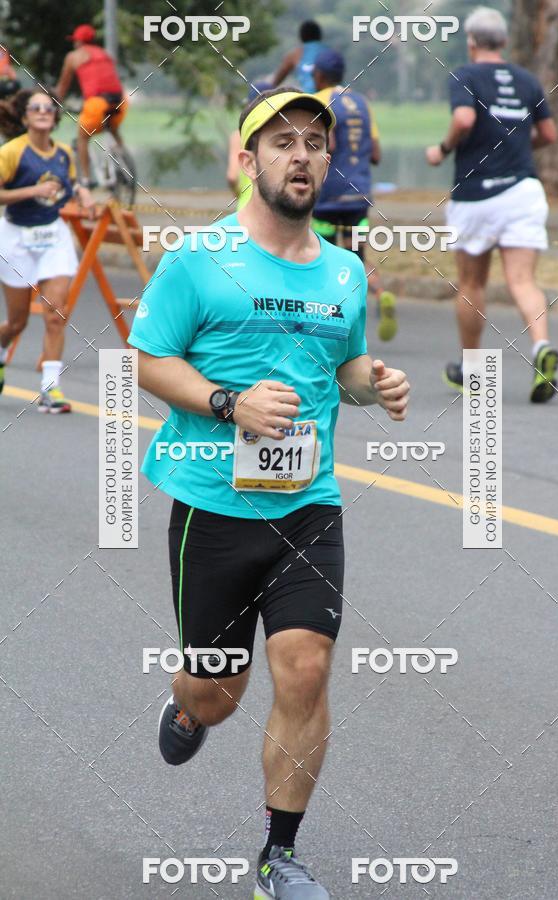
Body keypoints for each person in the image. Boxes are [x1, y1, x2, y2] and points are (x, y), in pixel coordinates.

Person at [127, 87, 409, 899]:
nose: (301, 155)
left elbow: (343, 363)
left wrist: (374, 381)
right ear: (250, 160)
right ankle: (187, 707)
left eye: (315, 144)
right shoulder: (197, 258)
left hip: (307, 506)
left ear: (329, 161)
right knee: (218, 692)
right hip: (212, 506)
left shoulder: (344, 271)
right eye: (282, 142)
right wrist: (228, 401)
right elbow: (148, 360)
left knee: (305, 670)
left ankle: (278, 858)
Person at [425, 6, 558, 403]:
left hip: (477, 194)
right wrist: (518, 145)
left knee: (471, 283)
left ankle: (471, 369)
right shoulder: (527, 79)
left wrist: (443, 148)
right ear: (502, 41)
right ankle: (541, 347)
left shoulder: (465, 76)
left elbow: (464, 120)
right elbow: (549, 133)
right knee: (523, 281)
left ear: (471, 42)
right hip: (522, 190)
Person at [0, 89, 94, 411]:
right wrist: (33, 190)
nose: (43, 112)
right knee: (17, 323)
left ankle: (50, 389)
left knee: (56, 315)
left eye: (49, 108)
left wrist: (83, 193)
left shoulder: (64, 153)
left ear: (54, 118)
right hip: (16, 237)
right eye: (35, 108)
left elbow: (68, 185)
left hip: (53, 237)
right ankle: (1, 354)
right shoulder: (12, 152)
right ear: (25, 117)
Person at [311, 49, 397, 341]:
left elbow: (328, 143)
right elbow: (375, 153)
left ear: (319, 75)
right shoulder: (361, 101)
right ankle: (380, 293)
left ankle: (332, 324)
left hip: (328, 196)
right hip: (359, 196)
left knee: (321, 257)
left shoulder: (320, 101)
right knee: (356, 256)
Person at [54, 24, 128, 187]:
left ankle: (86, 179)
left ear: (79, 42)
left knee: (82, 137)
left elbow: (62, 87)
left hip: (97, 103)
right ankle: (124, 161)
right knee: (113, 129)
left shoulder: (73, 56)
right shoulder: (105, 54)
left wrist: (55, 105)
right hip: (121, 102)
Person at [226, 79, 271, 210]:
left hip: (247, 210)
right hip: (277, 214)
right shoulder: (284, 138)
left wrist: (239, 195)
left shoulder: (239, 136)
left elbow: (232, 177)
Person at [272, 20, 325, 94]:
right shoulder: (330, 52)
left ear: (301, 37)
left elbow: (275, 82)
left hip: (308, 97)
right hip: (329, 96)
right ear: (320, 36)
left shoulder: (295, 54)